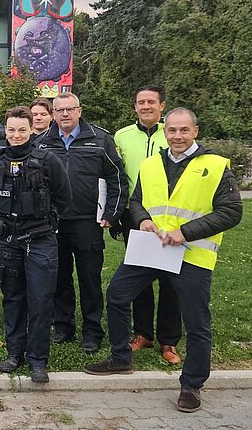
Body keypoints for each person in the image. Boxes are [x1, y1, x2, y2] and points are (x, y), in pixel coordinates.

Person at [85, 108, 243, 413]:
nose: (177, 136)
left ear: (195, 131)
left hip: (191, 252)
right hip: (152, 247)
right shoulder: (151, 163)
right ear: (164, 131)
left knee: (196, 321)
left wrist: (185, 232)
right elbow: (136, 200)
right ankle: (121, 358)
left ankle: (192, 384)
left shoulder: (215, 166)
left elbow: (231, 212)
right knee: (117, 295)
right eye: (172, 130)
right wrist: (142, 219)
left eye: (184, 130)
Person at [0, 106, 72, 383]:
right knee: (12, 298)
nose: (17, 134)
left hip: (40, 240)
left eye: (22, 129)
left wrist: (47, 219)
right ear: (5, 131)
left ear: (31, 129)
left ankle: (37, 359)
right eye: (11, 129)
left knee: (40, 300)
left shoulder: (48, 160)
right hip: (7, 240)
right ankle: (14, 353)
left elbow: (64, 197)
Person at [38, 92, 127, 353]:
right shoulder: (42, 142)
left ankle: (92, 331)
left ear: (79, 110)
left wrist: (112, 213)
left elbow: (117, 178)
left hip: (88, 222)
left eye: (70, 109)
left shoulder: (100, 140)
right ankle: (64, 326)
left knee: (89, 279)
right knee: (59, 278)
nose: (65, 114)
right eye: (60, 110)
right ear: (53, 114)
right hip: (53, 223)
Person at [114, 85, 181, 365]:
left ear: (162, 106)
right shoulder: (122, 136)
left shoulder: (172, 134)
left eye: (151, 102)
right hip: (136, 216)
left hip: (172, 219)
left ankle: (169, 340)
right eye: (141, 102)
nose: (145, 106)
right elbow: (116, 175)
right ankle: (143, 333)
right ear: (135, 106)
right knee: (139, 278)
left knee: (170, 280)